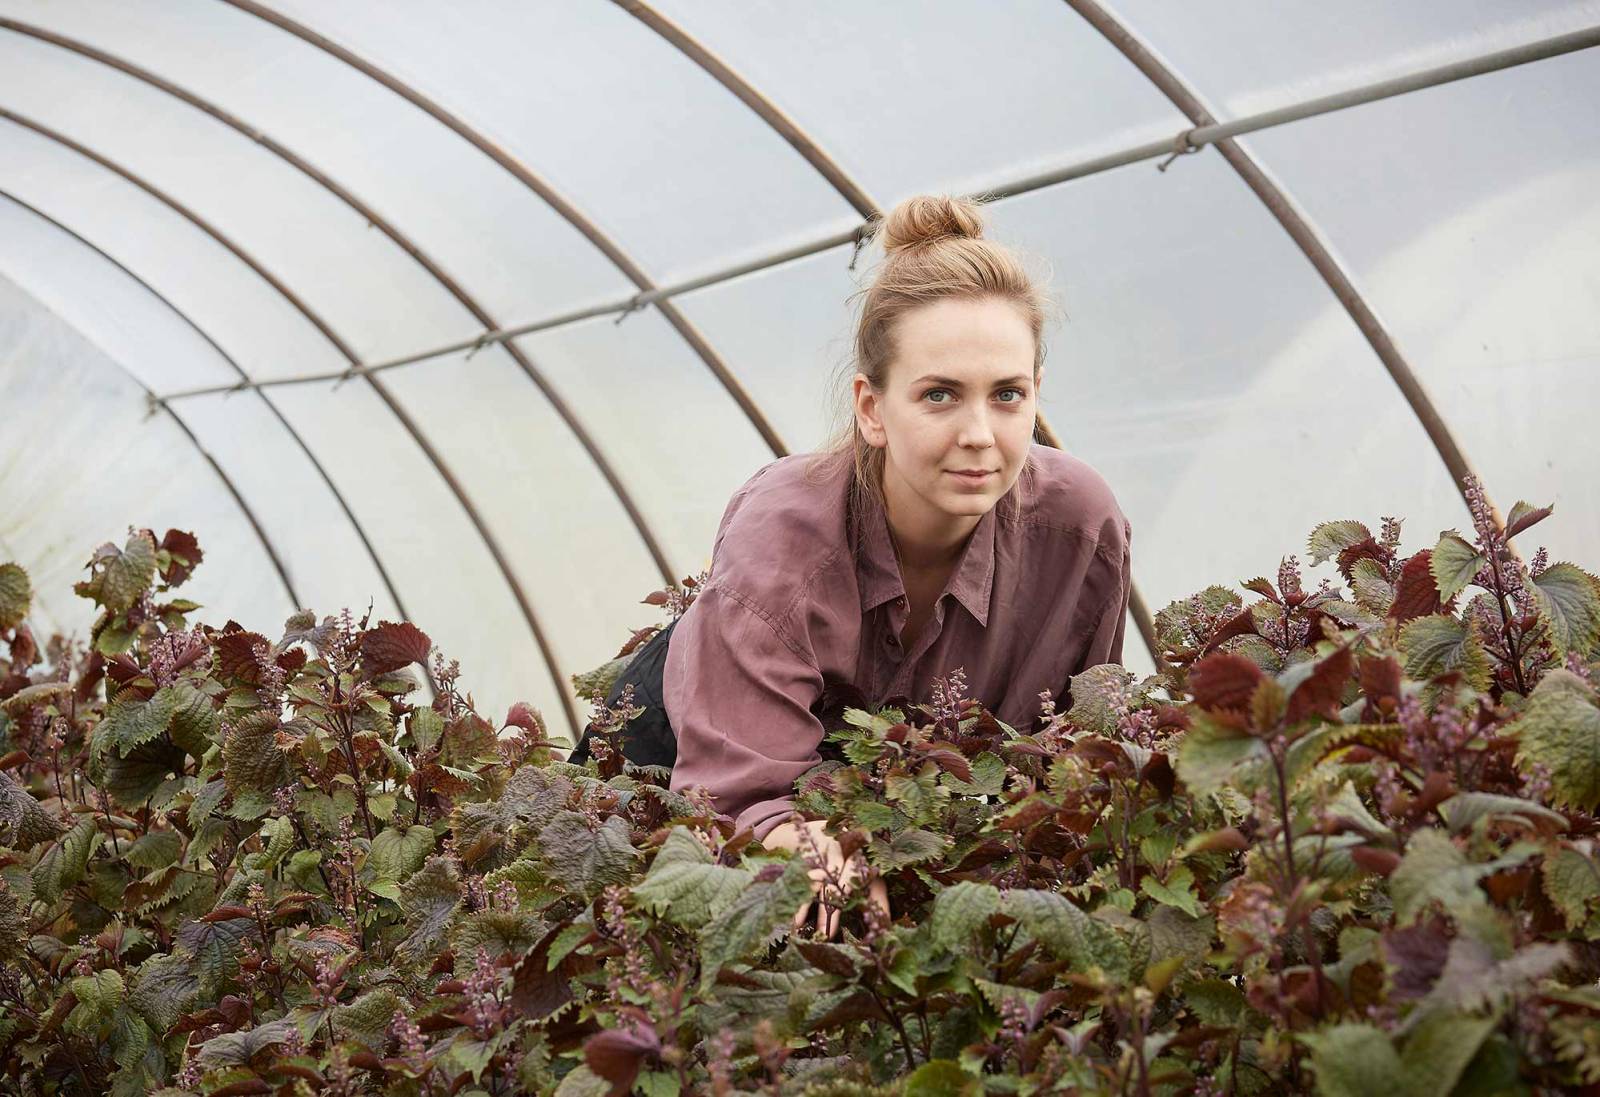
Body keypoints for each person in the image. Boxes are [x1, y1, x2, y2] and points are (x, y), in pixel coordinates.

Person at [574, 192, 1132, 940]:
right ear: (872, 408)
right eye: (939, 395)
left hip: (891, 815)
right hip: (682, 753)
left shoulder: (1079, 531)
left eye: (1008, 394)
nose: (979, 433)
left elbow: (1074, 753)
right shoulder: (788, 532)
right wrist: (806, 852)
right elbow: (734, 798)